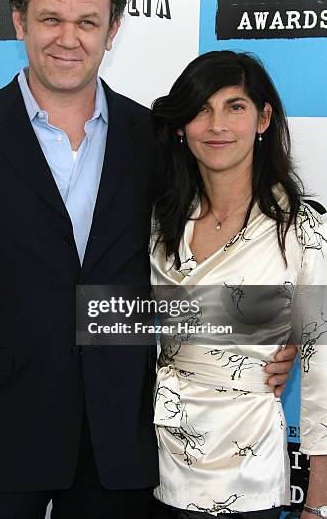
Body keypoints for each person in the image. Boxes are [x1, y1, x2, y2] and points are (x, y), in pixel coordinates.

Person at [0, 0, 295, 519]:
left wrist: (280, 332)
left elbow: (213, 250)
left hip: (124, 433)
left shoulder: (158, 141)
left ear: (113, 31)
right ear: (19, 22)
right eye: (50, 19)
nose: (69, 38)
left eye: (88, 21)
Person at [149, 50, 327, 519]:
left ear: (263, 118)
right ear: (182, 125)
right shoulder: (156, 225)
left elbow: (322, 369)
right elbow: (114, 319)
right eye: (201, 109)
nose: (216, 125)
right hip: (155, 463)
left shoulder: (302, 231)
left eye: (235, 106)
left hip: (249, 469)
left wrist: (319, 502)